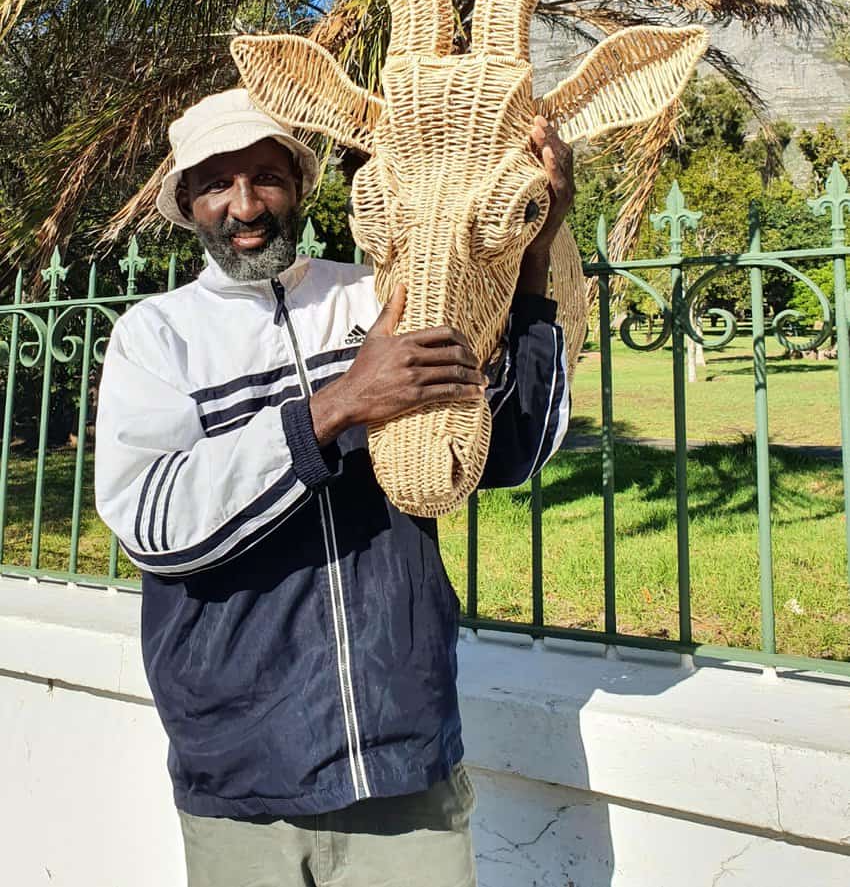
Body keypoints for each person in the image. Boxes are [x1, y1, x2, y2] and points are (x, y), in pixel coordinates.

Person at [95, 86, 573, 887]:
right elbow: (154, 519)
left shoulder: (376, 295)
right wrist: (340, 404)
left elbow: (506, 447)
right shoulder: (158, 337)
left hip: (401, 761)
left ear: (300, 186)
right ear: (187, 202)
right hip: (243, 779)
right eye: (216, 183)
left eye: (266, 177)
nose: (244, 206)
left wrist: (533, 253)